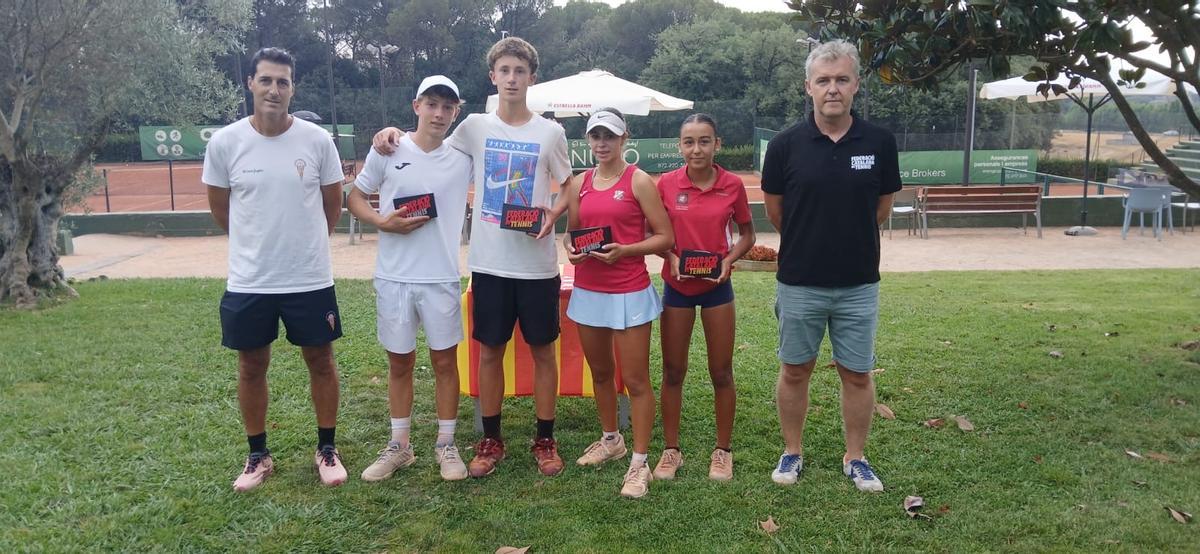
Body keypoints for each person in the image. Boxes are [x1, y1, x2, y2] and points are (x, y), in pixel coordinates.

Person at [372, 37, 573, 479]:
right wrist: (390, 133)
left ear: (532, 78)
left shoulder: (550, 132)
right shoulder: (474, 127)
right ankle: (491, 438)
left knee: (543, 352)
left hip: (537, 265)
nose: (512, 79)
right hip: (489, 264)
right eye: (505, 70)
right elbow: (425, 140)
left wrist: (554, 213)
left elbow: (569, 183)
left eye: (520, 71)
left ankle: (544, 438)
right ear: (493, 77)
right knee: (489, 353)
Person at [203, 47, 347, 491]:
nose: (274, 89)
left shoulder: (317, 141)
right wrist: (256, 246)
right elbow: (221, 210)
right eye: (266, 80)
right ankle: (257, 456)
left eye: (283, 82)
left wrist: (300, 247)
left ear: (292, 88)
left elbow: (333, 207)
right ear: (250, 83)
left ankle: (326, 448)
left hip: (309, 277)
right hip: (251, 279)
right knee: (251, 365)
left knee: (321, 361)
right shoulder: (225, 142)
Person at [760, 39, 901, 492]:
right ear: (809, 87)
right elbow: (779, 213)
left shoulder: (879, 142)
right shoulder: (784, 146)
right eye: (824, 80)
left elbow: (881, 208)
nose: (833, 88)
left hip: (859, 282)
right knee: (795, 369)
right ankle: (792, 452)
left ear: (856, 85)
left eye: (841, 79)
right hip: (800, 281)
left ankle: (856, 457)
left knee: (857, 374)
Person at [351, 76, 472, 482]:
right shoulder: (388, 148)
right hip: (394, 277)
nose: (439, 114)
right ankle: (399, 445)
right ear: (416, 105)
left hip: (440, 277)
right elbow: (355, 196)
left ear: (457, 112)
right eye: (432, 104)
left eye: (448, 107)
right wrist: (381, 222)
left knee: (444, 362)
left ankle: (446, 444)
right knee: (399, 362)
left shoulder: (462, 154)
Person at [564, 108, 674, 498]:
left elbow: (664, 238)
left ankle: (640, 462)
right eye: (595, 136)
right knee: (600, 373)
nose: (601, 143)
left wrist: (625, 250)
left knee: (636, 380)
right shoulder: (580, 183)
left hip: (629, 291)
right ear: (587, 139)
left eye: (609, 136)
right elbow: (572, 234)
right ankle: (612, 440)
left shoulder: (639, 181)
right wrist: (573, 251)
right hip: (589, 291)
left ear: (624, 137)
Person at [652, 113, 755, 482]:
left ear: (717, 144)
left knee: (721, 371)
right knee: (673, 371)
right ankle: (671, 450)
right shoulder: (665, 185)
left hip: (717, 289)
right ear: (680, 146)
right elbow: (654, 233)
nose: (697, 149)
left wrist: (728, 260)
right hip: (677, 288)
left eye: (704, 141)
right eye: (689, 142)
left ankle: (722, 451)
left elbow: (747, 235)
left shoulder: (732, 185)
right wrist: (672, 256)